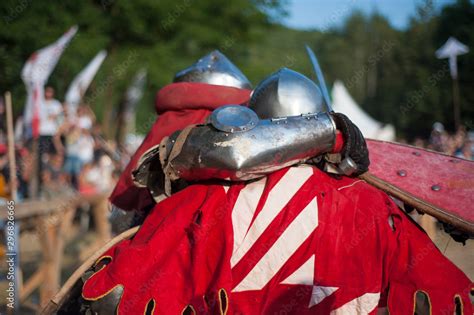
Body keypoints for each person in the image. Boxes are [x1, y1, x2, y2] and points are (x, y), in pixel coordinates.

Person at [76, 64, 471, 313]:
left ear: (253, 121)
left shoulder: (199, 199)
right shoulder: (373, 205)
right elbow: (442, 292)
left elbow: (120, 292)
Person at [39, 86, 63, 156]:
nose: (48, 93)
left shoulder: (56, 104)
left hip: (52, 132)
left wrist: (59, 131)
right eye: (47, 91)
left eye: (50, 92)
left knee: (52, 154)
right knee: (42, 154)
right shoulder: (40, 103)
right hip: (41, 132)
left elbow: (61, 119)